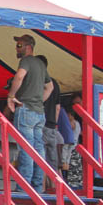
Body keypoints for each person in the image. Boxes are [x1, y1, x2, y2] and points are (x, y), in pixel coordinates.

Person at [6, 35, 53, 191]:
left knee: (26, 148)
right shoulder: (40, 64)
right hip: (39, 112)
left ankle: (24, 186)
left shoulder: (26, 61)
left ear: (28, 47)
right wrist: (39, 101)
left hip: (26, 109)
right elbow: (50, 87)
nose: (16, 48)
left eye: (19, 45)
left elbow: (19, 77)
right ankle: (37, 186)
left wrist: (11, 96)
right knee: (38, 149)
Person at [37, 55, 63, 184]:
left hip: (39, 123)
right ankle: (56, 187)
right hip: (52, 125)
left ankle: (40, 188)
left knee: (39, 156)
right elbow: (58, 107)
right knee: (52, 159)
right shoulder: (55, 83)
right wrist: (55, 124)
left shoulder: (38, 81)